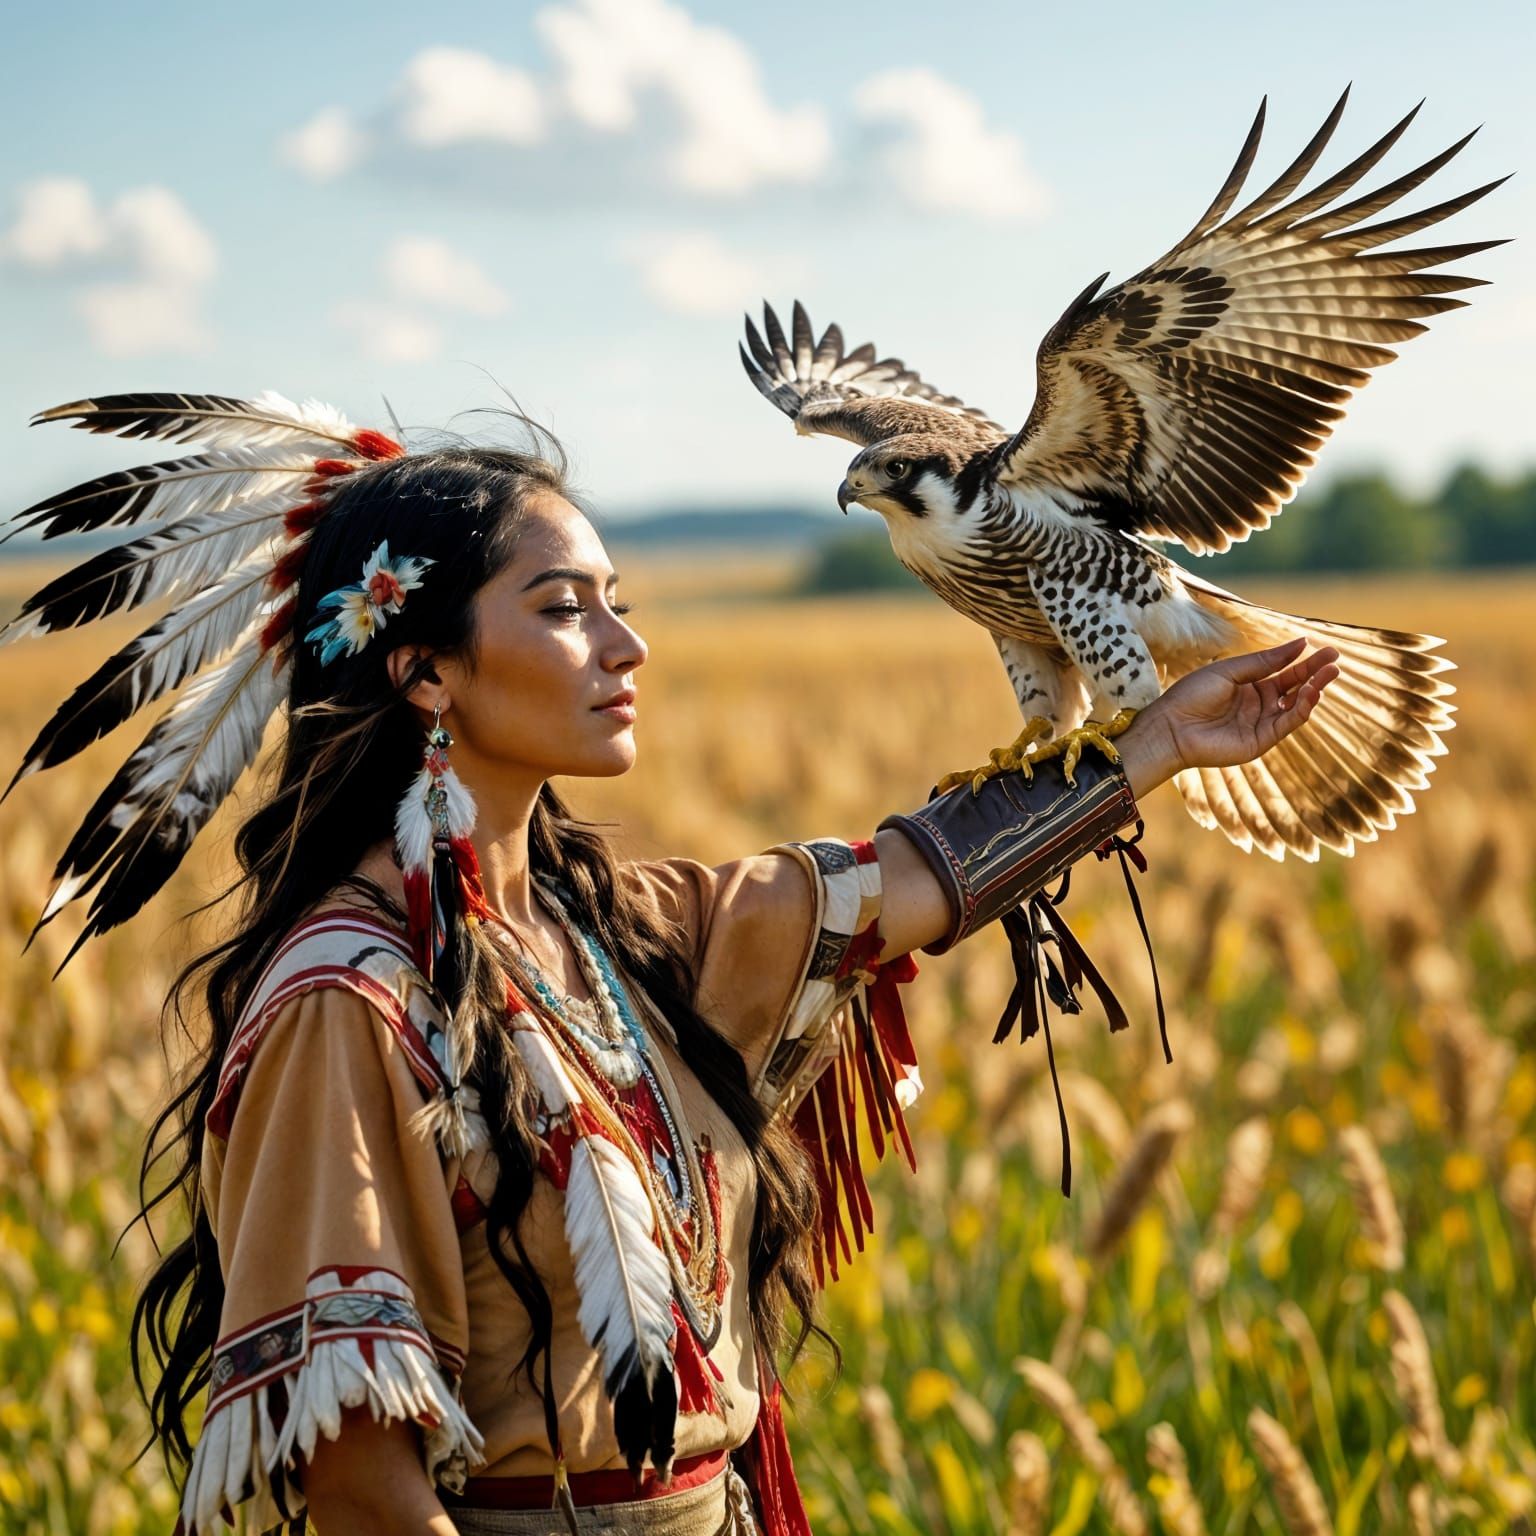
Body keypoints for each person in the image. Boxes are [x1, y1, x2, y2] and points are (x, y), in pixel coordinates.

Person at [5, 396, 1337, 1536]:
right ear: (425, 672)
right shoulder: (345, 1005)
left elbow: (888, 888)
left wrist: (1152, 743)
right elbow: (364, 1496)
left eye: (620, 605)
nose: (628, 645)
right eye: (566, 610)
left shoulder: (618, 937)